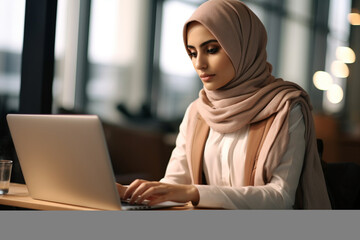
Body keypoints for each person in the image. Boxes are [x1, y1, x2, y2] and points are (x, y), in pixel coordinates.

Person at [116, 0, 331, 209]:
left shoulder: (285, 108)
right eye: (192, 53)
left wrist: (195, 192)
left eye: (211, 50)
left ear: (242, 47)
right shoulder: (197, 112)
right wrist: (128, 193)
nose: (199, 64)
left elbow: (280, 197)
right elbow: (173, 184)